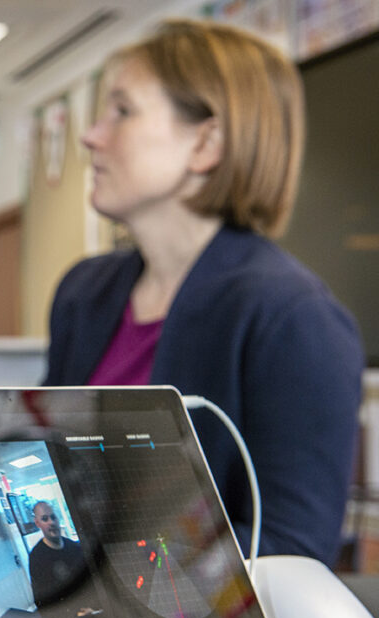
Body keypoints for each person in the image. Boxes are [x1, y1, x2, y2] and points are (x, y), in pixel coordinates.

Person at [44, 19, 364, 565]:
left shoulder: (292, 317)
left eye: (122, 111)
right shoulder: (84, 292)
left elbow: (293, 552)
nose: (92, 135)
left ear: (207, 143)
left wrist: (120, 543)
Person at [27, 501, 93, 618]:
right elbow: (43, 601)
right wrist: (73, 615)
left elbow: (90, 583)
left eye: (53, 517)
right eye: (45, 519)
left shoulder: (75, 548)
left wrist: (94, 608)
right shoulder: (37, 557)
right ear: (38, 523)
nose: (51, 522)